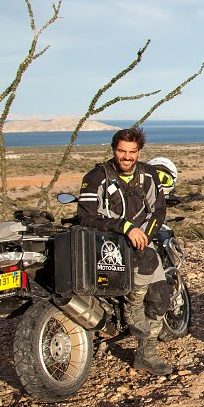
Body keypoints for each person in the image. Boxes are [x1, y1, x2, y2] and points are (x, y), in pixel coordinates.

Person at [77, 127, 174, 376]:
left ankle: (146, 354)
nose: (127, 157)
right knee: (143, 268)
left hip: (143, 242)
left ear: (139, 152)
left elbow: (158, 210)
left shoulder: (149, 175)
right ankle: (132, 309)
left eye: (132, 152)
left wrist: (144, 235)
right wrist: (124, 227)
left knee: (161, 297)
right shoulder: (96, 177)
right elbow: (86, 217)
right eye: (122, 151)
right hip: (107, 243)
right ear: (114, 150)